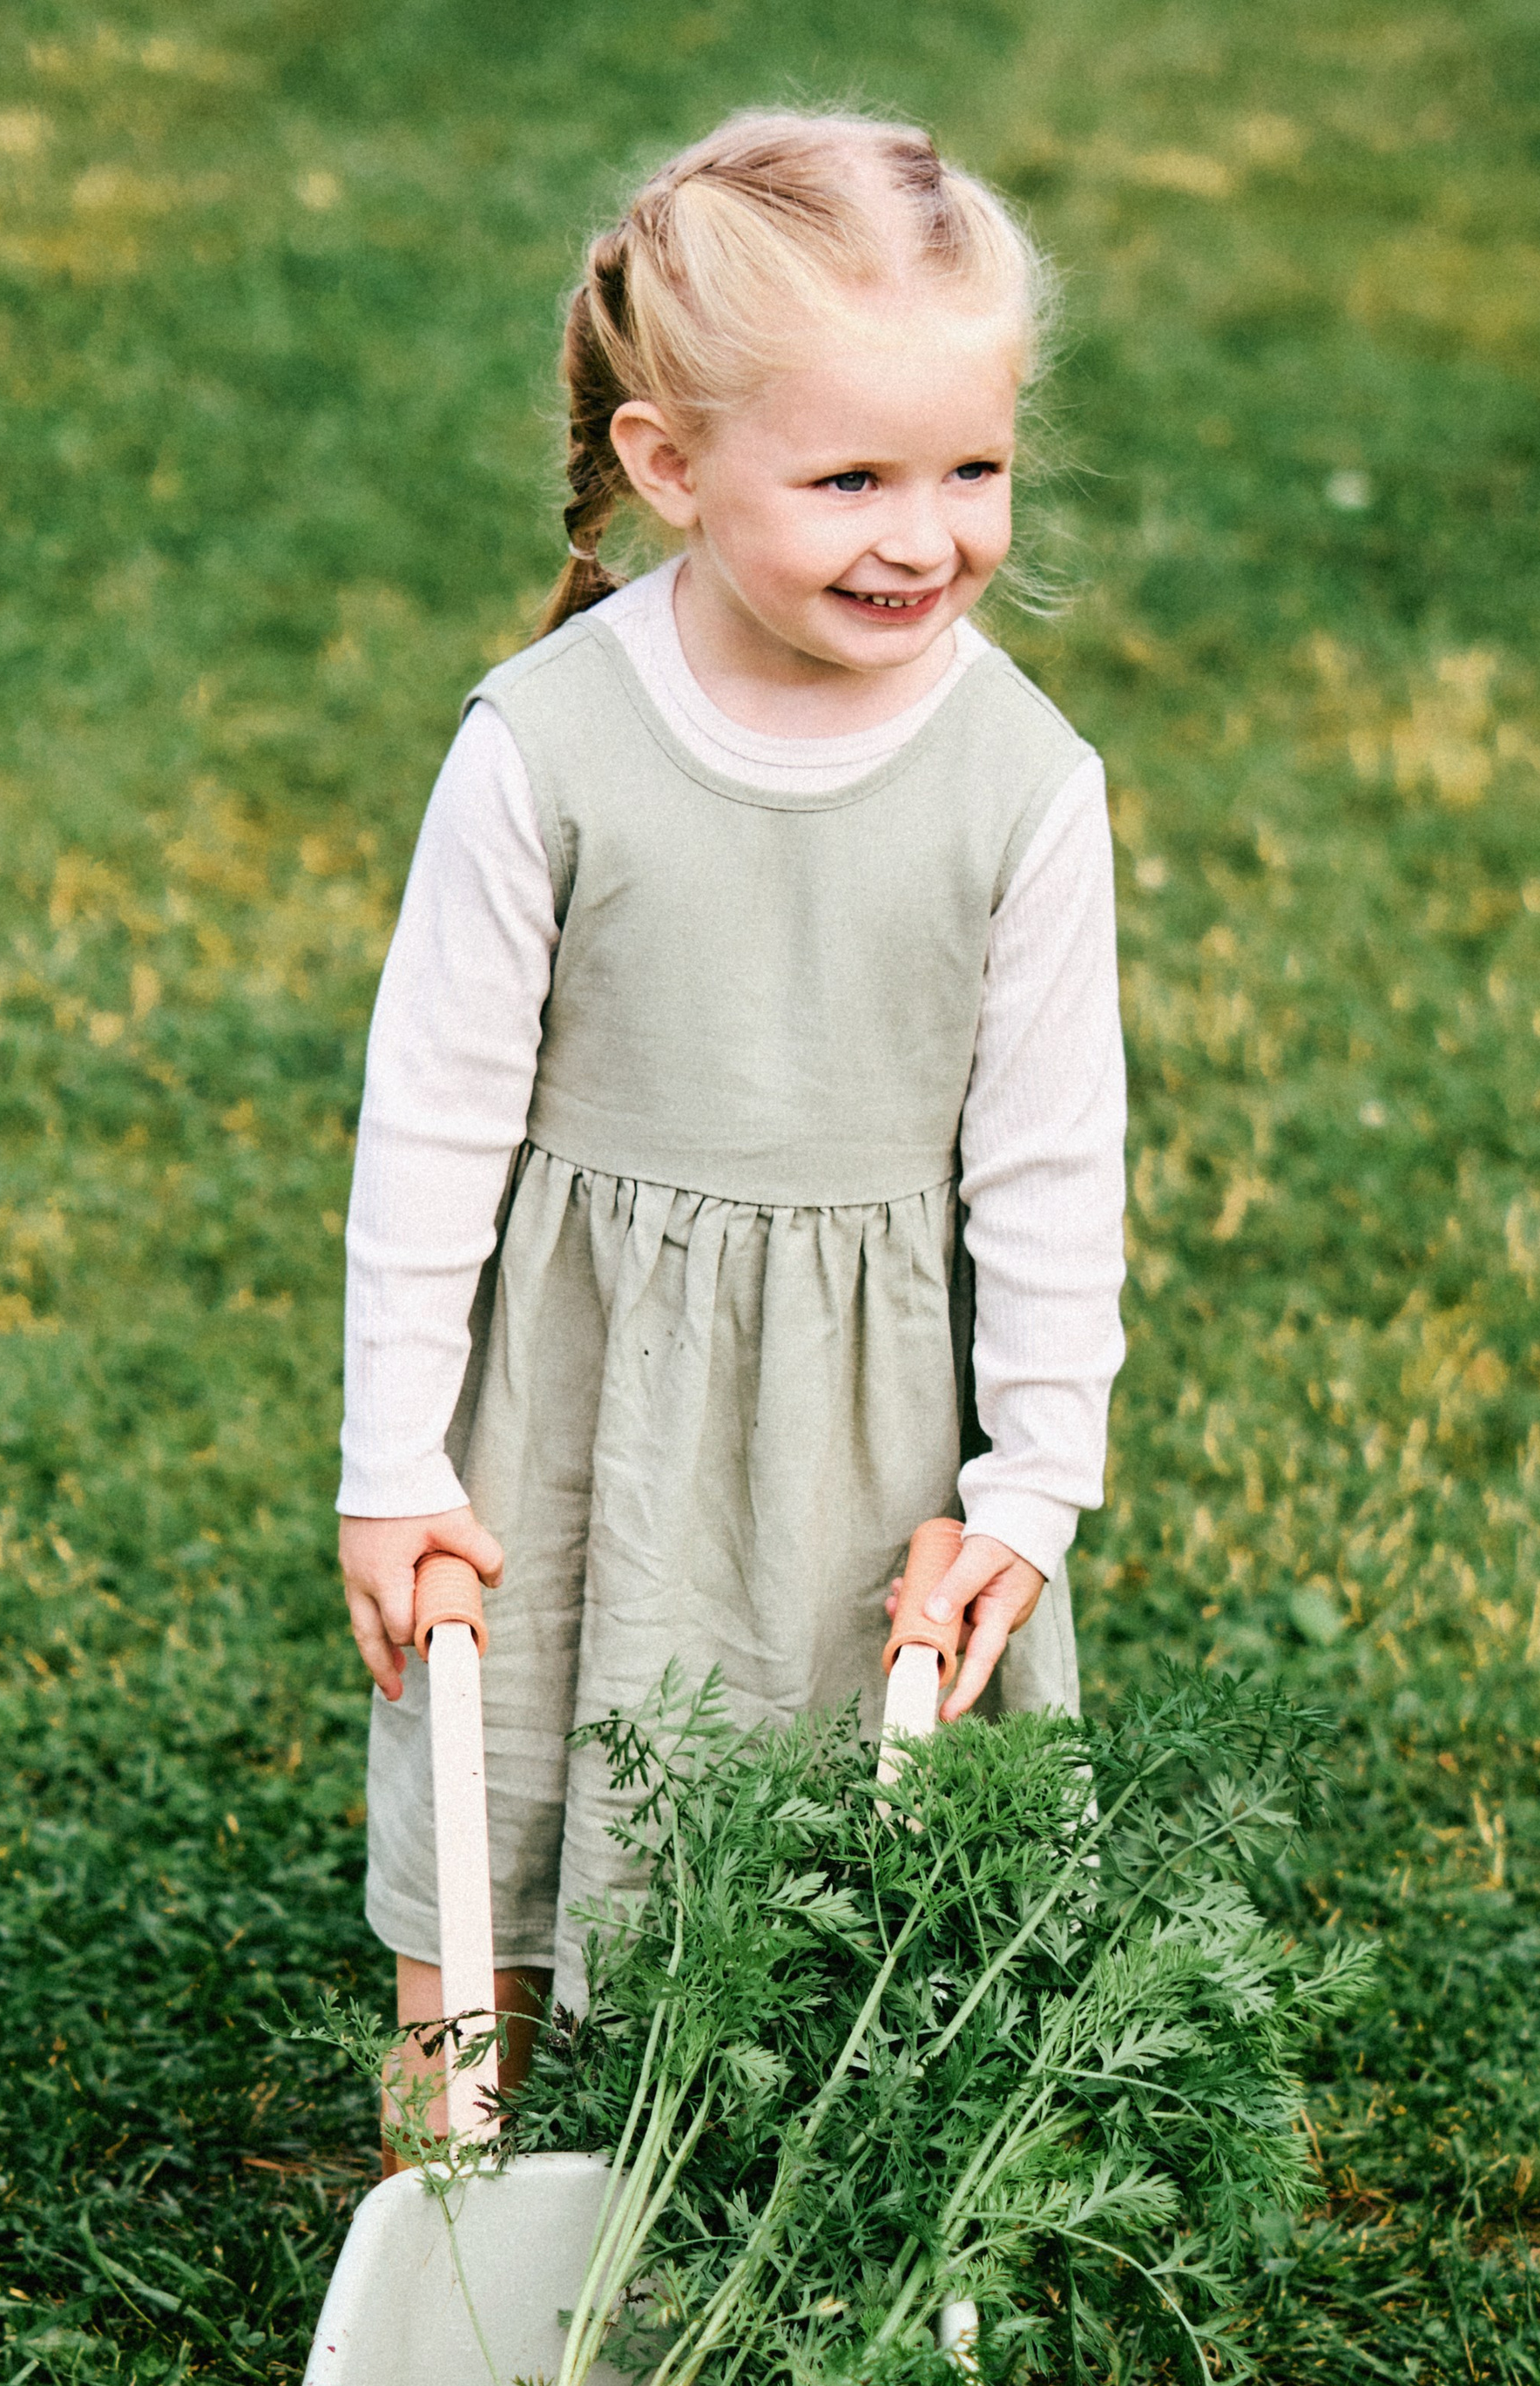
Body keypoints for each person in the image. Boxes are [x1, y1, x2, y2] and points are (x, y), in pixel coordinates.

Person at [334, 110, 1126, 2164]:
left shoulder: (1022, 782)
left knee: (826, 1841)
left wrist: (1027, 1484)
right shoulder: (544, 746)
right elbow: (431, 1115)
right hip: (569, 1393)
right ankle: (455, 2206)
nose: (924, 532)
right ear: (669, 466)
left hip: (854, 1429)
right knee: (491, 1806)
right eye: (849, 475)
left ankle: (796, 2208)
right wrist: (392, 1462)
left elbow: (1049, 1164)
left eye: (971, 467)